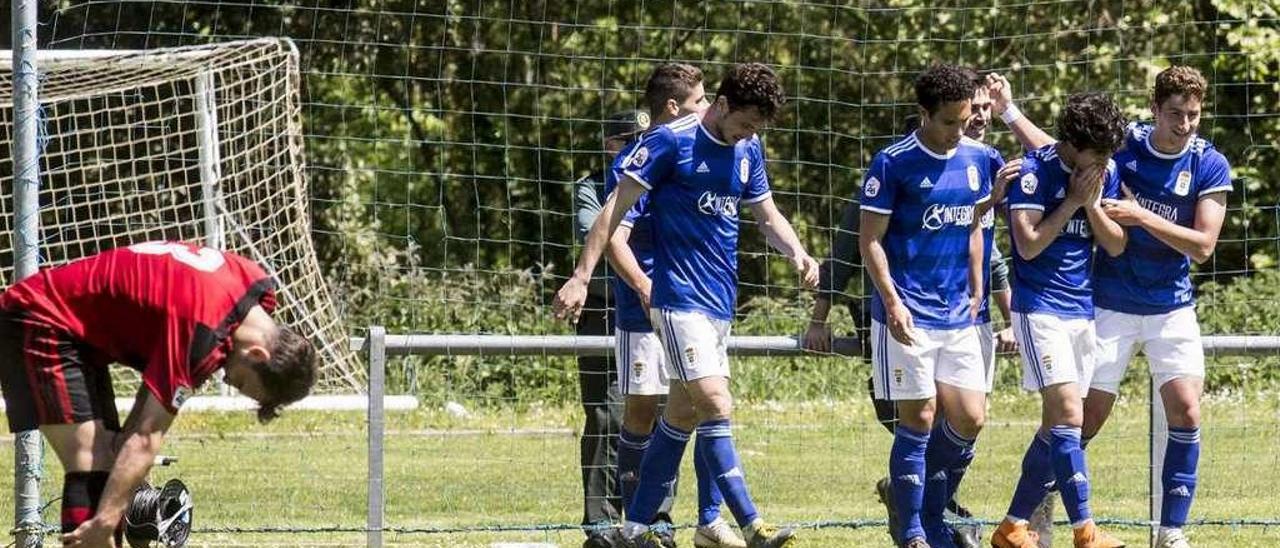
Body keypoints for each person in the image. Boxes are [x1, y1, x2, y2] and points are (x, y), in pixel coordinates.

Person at [554, 62, 816, 548]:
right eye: (744, 124)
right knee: (715, 403)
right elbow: (613, 212)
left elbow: (767, 214)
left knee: (679, 418)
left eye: (757, 129)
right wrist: (580, 275)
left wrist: (797, 250)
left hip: (719, 303)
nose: (749, 135)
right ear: (720, 105)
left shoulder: (748, 149)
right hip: (676, 300)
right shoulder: (669, 142)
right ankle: (752, 525)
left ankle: (635, 528)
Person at [802, 69, 1020, 548]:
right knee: (919, 417)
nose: (959, 130)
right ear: (923, 114)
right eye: (948, 122)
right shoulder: (892, 163)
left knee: (970, 417)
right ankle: (920, 531)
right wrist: (892, 301)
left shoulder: (981, 157)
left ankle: (910, 501)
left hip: (962, 313)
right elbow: (868, 241)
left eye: (965, 120)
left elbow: (976, 224)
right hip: (906, 313)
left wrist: (979, 285)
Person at [0, 241, 317, 548]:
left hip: (80, 334)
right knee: (92, 466)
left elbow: (145, 412)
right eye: (244, 384)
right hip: (41, 318)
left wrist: (128, 442)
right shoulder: (203, 330)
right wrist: (104, 523)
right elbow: (146, 439)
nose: (230, 382)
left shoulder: (255, 285)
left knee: (110, 466)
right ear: (259, 355)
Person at [1085, 65, 1232, 548]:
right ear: (1154, 110)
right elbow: (1062, 148)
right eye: (1175, 114)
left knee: (1187, 412)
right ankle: (1038, 510)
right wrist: (1009, 113)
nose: (1185, 124)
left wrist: (1142, 215)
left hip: (1172, 307)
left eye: (1193, 115)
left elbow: (1203, 246)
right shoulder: (1123, 146)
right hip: (1111, 302)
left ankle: (1171, 531)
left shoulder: (1209, 164)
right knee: (1081, 419)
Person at [601, 63, 747, 548]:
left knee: (702, 405)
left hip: (694, 303)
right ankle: (643, 521)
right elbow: (611, 232)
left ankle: (705, 519)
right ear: (673, 106)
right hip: (645, 305)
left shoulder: (715, 151)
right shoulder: (646, 159)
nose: (708, 108)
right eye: (701, 100)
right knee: (643, 409)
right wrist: (642, 286)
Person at [990, 92, 1129, 548]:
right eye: (1100, 152)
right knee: (1071, 414)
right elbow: (1027, 246)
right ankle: (1086, 531)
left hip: (1081, 311)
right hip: (1038, 310)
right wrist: (1071, 202)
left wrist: (1090, 204)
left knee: (1056, 426)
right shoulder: (1033, 173)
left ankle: (1012, 526)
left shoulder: (1101, 176)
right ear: (1073, 144)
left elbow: (1115, 245)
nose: (1105, 161)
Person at [573, 108, 651, 547]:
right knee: (606, 416)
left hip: (648, 313)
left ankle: (652, 521)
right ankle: (602, 526)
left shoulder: (662, 182)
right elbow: (599, 240)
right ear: (611, 146)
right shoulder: (591, 189)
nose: (640, 150)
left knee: (656, 415)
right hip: (603, 312)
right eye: (629, 142)